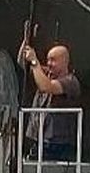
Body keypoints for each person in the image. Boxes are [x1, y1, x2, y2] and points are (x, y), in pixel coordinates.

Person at [18, 25, 82, 163]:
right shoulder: (46, 74)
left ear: (64, 61)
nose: (49, 63)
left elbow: (46, 87)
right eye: (48, 60)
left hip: (58, 146)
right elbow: (25, 65)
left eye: (53, 60)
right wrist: (27, 40)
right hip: (40, 140)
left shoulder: (70, 82)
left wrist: (35, 62)